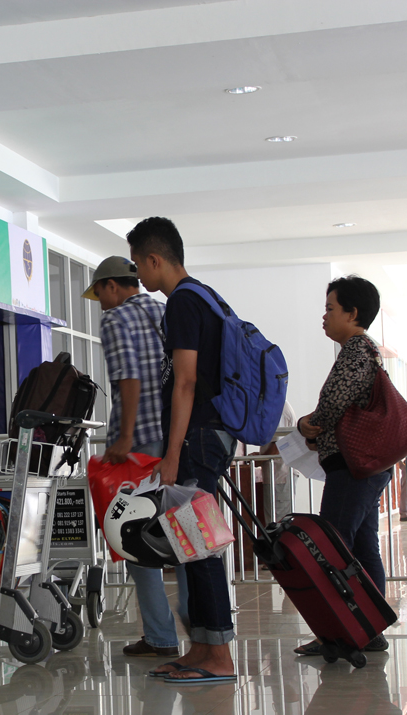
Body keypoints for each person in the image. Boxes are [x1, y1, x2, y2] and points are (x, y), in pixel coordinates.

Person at [129, 217, 236, 684]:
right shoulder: (207, 297)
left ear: (155, 259)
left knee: (200, 545)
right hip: (212, 432)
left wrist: (172, 452)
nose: (139, 276)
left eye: (138, 265)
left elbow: (186, 381)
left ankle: (218, 656)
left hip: (198, 436)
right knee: (196, 544)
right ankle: (203, 648)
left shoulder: (183, 305)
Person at [84, 254, 186, 659]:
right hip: (175, 440)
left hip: (141, 444)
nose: (101, 304)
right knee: (182, 534)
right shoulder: (163, 309)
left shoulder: (115, 320)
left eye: (101, 295)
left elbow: (128, 376)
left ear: (111, 286)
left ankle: (161, 637)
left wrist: (124, 435)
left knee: (135, 536)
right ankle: (199, 622)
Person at [293, 276, 391, 656]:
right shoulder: (369, 351)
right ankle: (369, 627)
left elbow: (332, 405)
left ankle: (341, 629)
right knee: (364, 546)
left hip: (352, 466)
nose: (324, 316)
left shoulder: (354, 351)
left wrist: (306, 424)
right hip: (367, 465)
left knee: (332, 544)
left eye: (331, 309)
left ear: (352, 314)